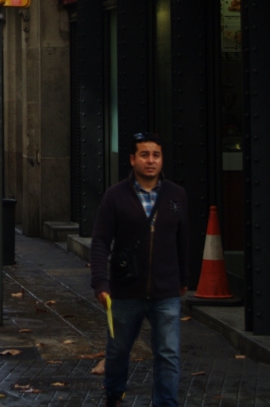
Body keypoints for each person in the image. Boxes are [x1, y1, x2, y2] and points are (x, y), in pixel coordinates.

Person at [91, 133, 188, 407]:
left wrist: (184, 278)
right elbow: (100, 241)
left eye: (156, 155)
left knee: (168, 353)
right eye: (144, 155)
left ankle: (165, 403)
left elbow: (183, 240)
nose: (151, 161)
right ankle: (114, 394)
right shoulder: (115, 196)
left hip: (165, 291)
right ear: (133, 160)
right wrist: (100, 282)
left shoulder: (176, 195)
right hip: (125, 290)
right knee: (118, 351)